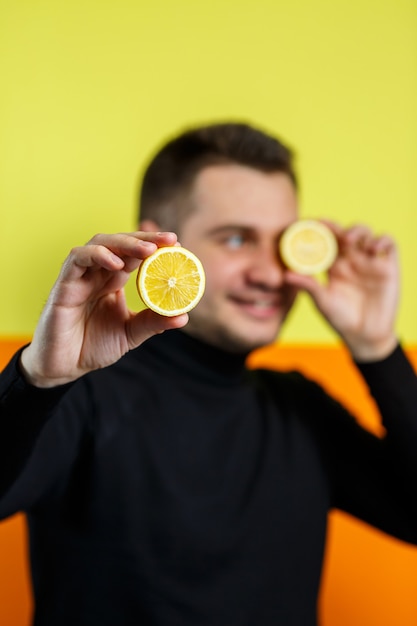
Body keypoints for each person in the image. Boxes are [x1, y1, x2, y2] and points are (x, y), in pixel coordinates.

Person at [1, 121, 416, 626]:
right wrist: (38, 379)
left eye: (284, 242)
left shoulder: (300, 408)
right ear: (158, 245)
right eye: (237, 238)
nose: (269, 273)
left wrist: (378, 348)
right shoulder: (79, 396)